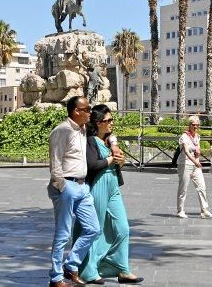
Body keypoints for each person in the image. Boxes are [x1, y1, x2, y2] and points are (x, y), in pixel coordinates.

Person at [77, 104, 143, 285]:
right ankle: (89, 270)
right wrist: (111, 159)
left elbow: (116, 163)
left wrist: (119, 162)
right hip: (98, 185)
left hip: (113, 185)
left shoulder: (110, 141)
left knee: (123, 228)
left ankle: (121, 268)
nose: (111, 123)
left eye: (112, 119)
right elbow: (91, 165)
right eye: (108, 120)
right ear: (98, 123)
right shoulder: (90, 140)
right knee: (95, 229)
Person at [47, 96, 100, 287]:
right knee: (63, 233)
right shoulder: (62, 130)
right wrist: (62, 186)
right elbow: (55, 162)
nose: (90, 112)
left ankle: (71, 265)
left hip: (82, 187)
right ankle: (56, 276)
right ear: (76, 111)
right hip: (67, 186)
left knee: (93, 228)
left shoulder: (83, 128)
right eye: (87, 109)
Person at [176, 116, 212, 219]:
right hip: (185, 164)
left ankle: (204, 210)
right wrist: (194, 161)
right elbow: (186, 151)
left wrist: (198, 156)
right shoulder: (184, 136)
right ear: (189, 125)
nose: (195, 126)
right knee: (183, 188)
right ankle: (180, 210)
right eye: (193, 125)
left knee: (202, 187)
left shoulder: (197, 136)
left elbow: (198, 149)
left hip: (195, 165)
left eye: (197, 125)